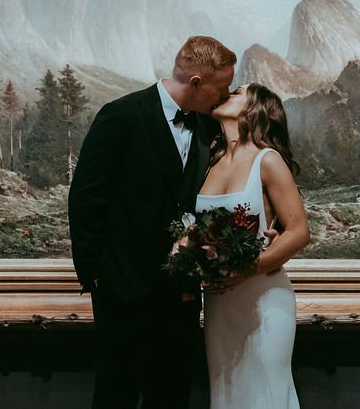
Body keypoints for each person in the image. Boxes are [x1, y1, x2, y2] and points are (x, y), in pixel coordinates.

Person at [68, 35, 237, 408]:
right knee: (117, 392)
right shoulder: (121, 116)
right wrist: (95, 272)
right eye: (220, 87)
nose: (223, 96)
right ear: (196, 83)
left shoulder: (208, 128)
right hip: (123, 287)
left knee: (172, 393)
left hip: (181, 293)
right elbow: (86, 197)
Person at [196, 82, 311, 409]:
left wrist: (248, 268)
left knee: (264, 397)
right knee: (228, 396)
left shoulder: (267, 160)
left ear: (255, 108)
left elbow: (299, 231)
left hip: (263, 300)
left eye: (238, 91)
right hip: (219, 305)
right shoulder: (212, 163)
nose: (227, 92)